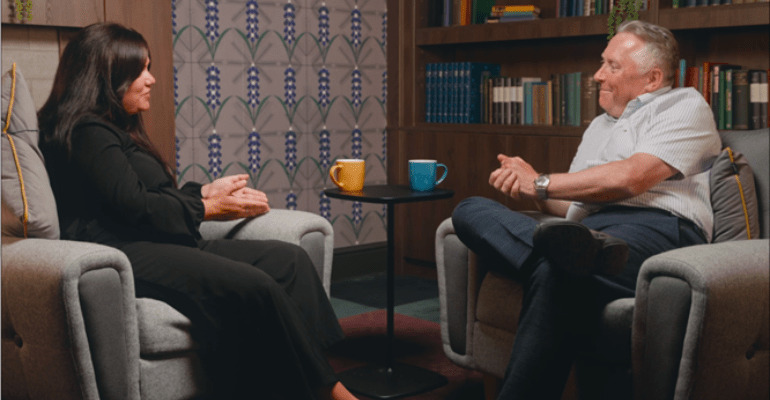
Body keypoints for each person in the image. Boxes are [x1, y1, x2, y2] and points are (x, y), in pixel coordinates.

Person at [38, 22, 359, 400]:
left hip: (154, 236)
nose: (151, 79)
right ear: (106, 77)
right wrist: (206, 207)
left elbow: (147, 195)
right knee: (254, 285)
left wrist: (201, 192)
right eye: (140, 70)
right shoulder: (87, 130)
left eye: (149, 67)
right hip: (123, 250)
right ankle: (331, 392)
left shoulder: (113, 127)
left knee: (289, 260)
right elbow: (135, 207)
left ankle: (304, 381)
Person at [451, 20, 721, 399]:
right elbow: (574, 202)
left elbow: (632, 177)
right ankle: (579, 254)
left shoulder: (684, 104)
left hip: (655, 230)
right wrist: (529, 187)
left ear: (652, 78)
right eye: (602, 62)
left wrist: (541, 182)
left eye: (612, 66)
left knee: (557, 268)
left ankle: (577, 254)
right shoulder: (599, 125)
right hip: (586, 231)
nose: (597, 75)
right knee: (470, 210)